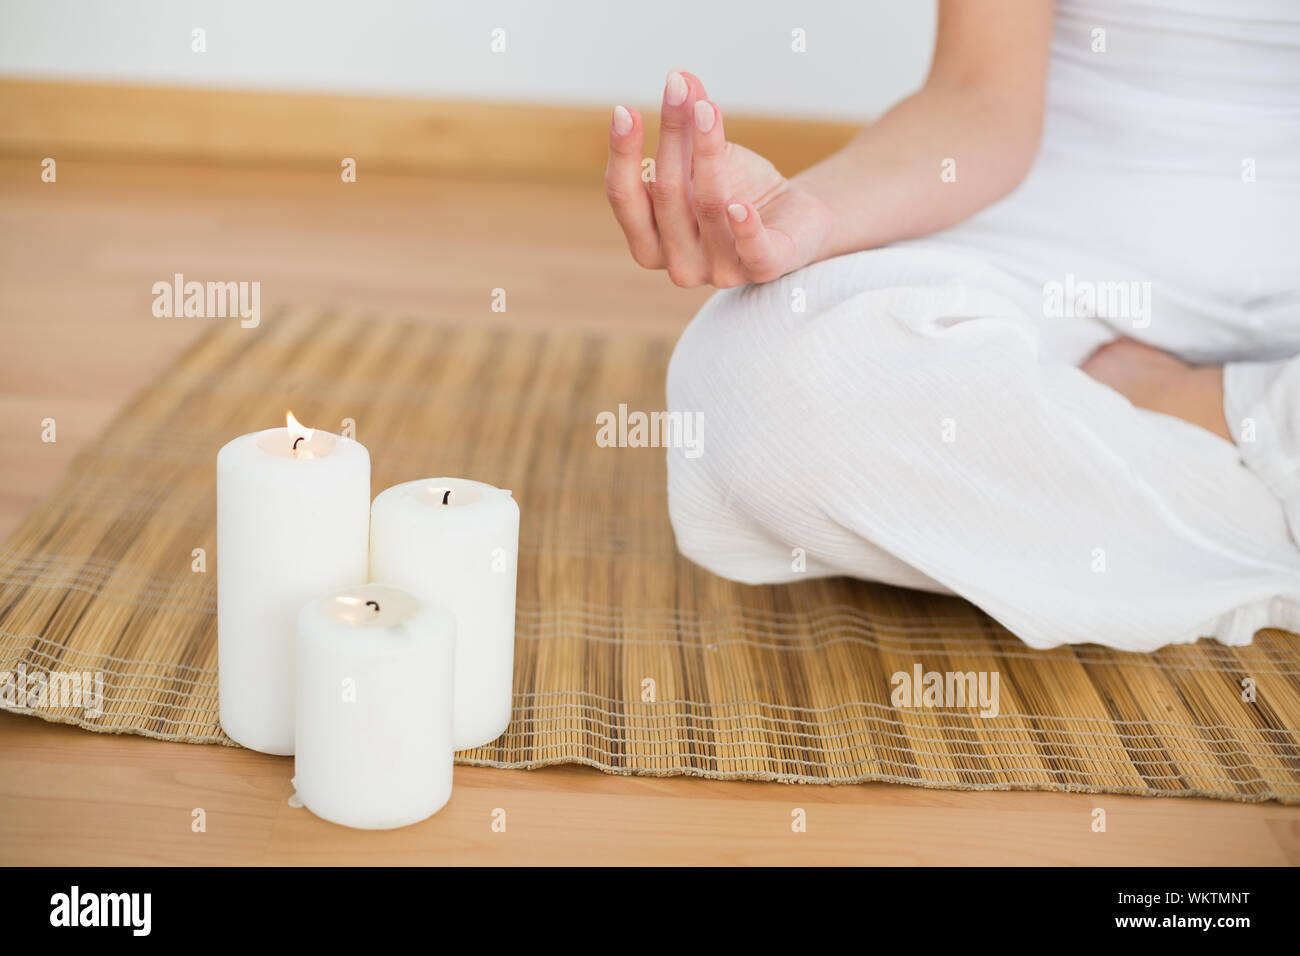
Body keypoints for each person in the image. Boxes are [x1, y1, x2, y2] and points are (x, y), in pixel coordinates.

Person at [602, 0, 1300, 651]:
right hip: (1058, 250)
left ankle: (1203, 411)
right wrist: (805, 210)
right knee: (755, 380)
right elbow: (978, 97)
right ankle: (1256, 460)